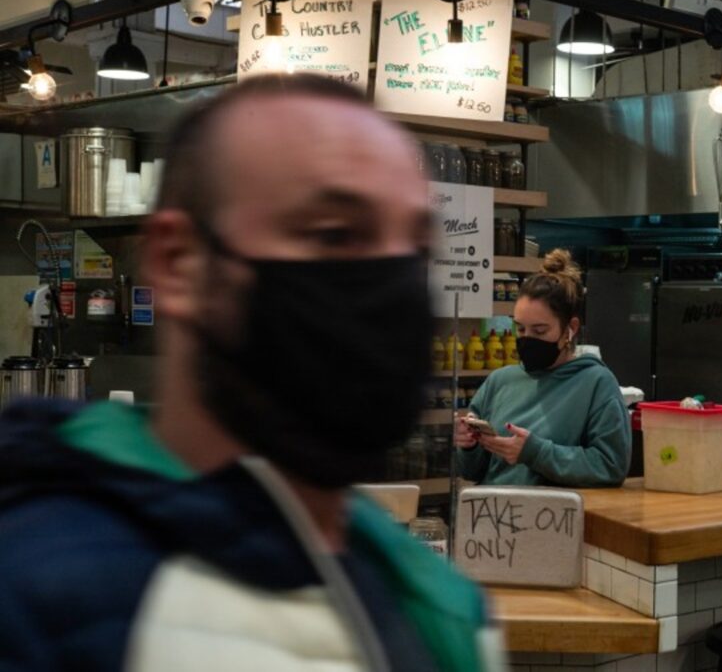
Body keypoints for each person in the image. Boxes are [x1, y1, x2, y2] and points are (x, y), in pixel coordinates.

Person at [0, 75, 503, 671]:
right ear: (180, 263)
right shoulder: (39, 595)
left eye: (416, 250)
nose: (393, 281)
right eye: (335, 233)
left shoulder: (436, 603)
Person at [455, 250, 630, 487]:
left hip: (552, 518)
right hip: (492, 514)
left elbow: (610, 466)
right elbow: (471, 471)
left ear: (571, 328)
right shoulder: (500, 382)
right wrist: (469, 445)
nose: (527, 340)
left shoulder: (596, 384)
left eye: (539, 331)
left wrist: (535, 453)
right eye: (520, 329)